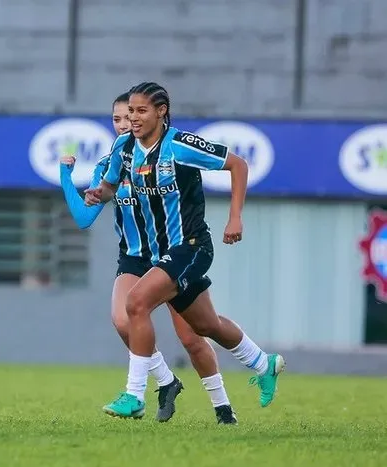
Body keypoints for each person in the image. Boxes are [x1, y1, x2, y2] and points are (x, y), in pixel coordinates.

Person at [84, 82, 286, 419]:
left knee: (136, 303)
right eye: (130, 112)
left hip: (190, 246)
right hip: (149, 256)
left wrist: (235, 218)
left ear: (161, 112)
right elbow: (108, 187)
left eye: (141, 111)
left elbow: (238, 165)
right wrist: (98, 194)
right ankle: (263, 362)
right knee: (206, 325)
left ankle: (135, 396)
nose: (133, 119)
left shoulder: (179, 144)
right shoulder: (124, 147)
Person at [60, 92, 237, 424]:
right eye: (118, 119)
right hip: (135, 258)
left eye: (130, 116)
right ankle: (165, 381)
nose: (125, 124)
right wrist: (65, 177)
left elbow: (201, 179)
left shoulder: (164, 154)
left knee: (193, 338)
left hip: (172, 254)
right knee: (123, 320)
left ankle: (223, 407)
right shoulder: (112, 162)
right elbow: (85, 217)